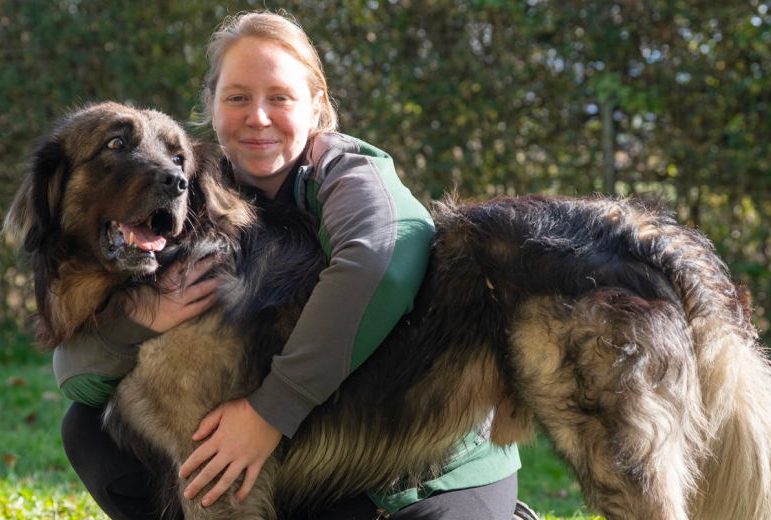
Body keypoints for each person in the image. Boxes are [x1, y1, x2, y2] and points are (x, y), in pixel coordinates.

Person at [56, 11, 537, 520]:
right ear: (213, 110)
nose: (257, 117)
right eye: (237, 97)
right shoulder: (190, 191)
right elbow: (75, 374)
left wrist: (269, 413)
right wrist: (142, 319)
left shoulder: (350, 172)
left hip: (423, 454)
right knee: (88, 427)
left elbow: (382, 260)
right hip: (312, 455)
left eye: (280, 97)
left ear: (316, 107)